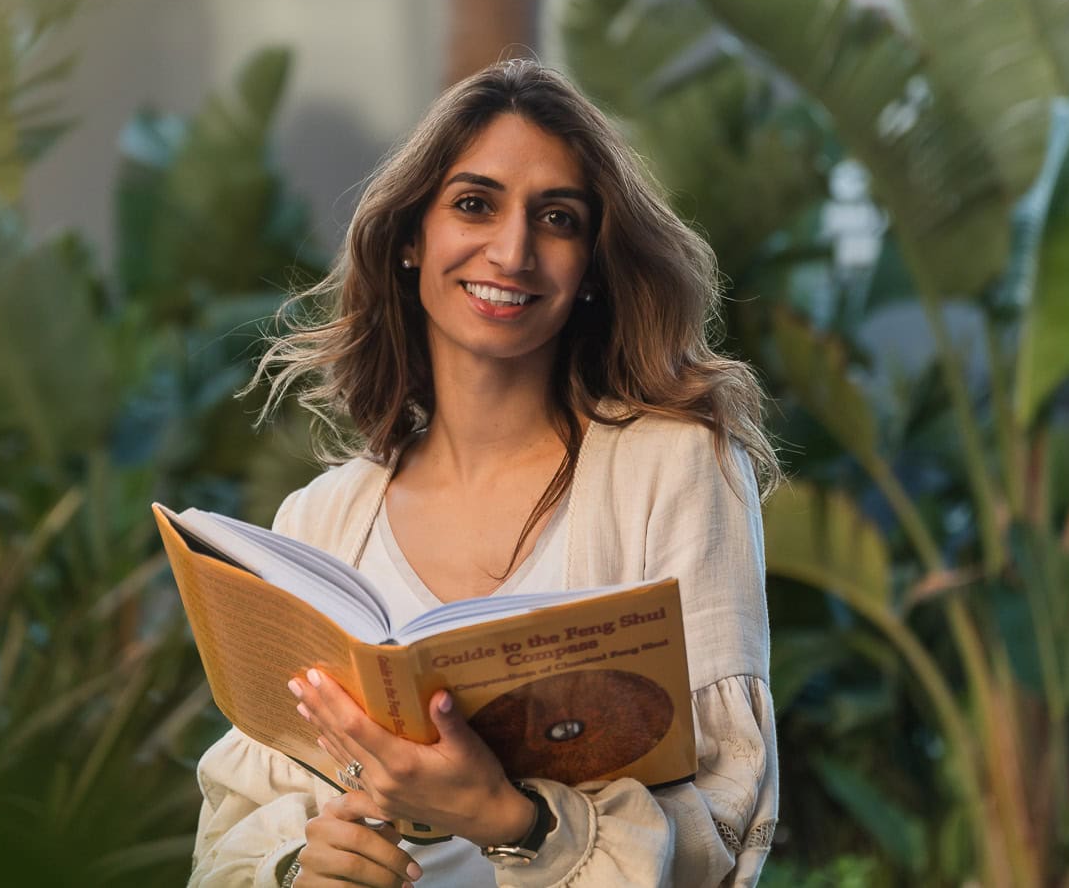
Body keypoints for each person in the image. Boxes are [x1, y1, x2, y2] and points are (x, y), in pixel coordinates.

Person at [192, 60, 779, 887]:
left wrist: (518, 824)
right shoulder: (318, 522)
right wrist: (301, 867)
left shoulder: (677, 468)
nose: (512, 251)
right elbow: (237, 821)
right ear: (408, 239)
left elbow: (727, 818)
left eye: (559, 219)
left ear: (590, 269)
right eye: (474, 204)